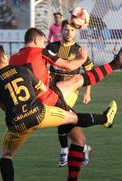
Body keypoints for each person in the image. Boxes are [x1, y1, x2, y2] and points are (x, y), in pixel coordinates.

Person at [0, 45, 118, 181]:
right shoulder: (21, 70)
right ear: (4, 56)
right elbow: (42, 89)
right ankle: (105, 119)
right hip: (39, 114)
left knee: (6, 155)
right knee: (72, 117)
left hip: (17, 124)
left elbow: (3, 106)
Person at [9, 27, 122, 181]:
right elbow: (69, 65)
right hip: (46, 99)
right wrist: (82, 59)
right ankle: (106, 115)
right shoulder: (40, 51)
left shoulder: (14, 58)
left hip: (29, 105)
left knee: (79, 139)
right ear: (36, 41)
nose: (44, 44)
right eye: (43, 41)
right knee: (77, 85)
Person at [47, 20, 94, 167]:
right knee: (65, 118)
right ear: (61, 30)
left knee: (60, 117)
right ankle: (84, 147)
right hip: (54, 89)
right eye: (67, 30)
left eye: (72, 30)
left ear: (76, 32)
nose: (69, 33)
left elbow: (90, 72)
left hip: (71, 91)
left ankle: (64, 151)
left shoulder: (79, 51)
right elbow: (44, 66)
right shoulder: (52, 47)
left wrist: (87, 92)